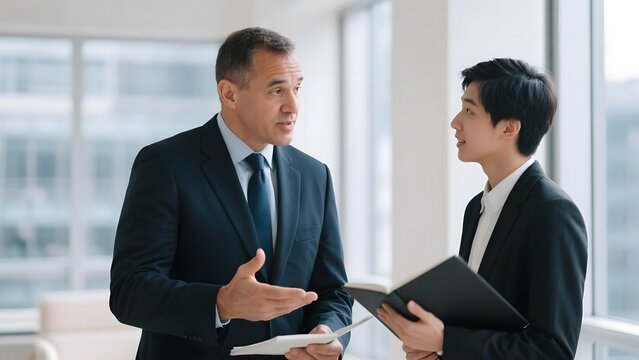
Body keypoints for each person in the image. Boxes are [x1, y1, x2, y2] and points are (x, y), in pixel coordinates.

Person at [110, 27, 353, 360]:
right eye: (276, 90)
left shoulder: (314, 175)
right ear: (230, 94)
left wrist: (327, 331)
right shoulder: (165, 164)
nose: (293, 106)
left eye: (296, 88)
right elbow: (129, 291)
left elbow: (331, 291)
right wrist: (220, 302)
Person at [377, 58, 587, 359]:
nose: (455, 122)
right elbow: (479, 324)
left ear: (509, 128)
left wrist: (446, 342)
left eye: (469, 110)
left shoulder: (553, 213)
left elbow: (552, 350)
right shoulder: (476, 207)